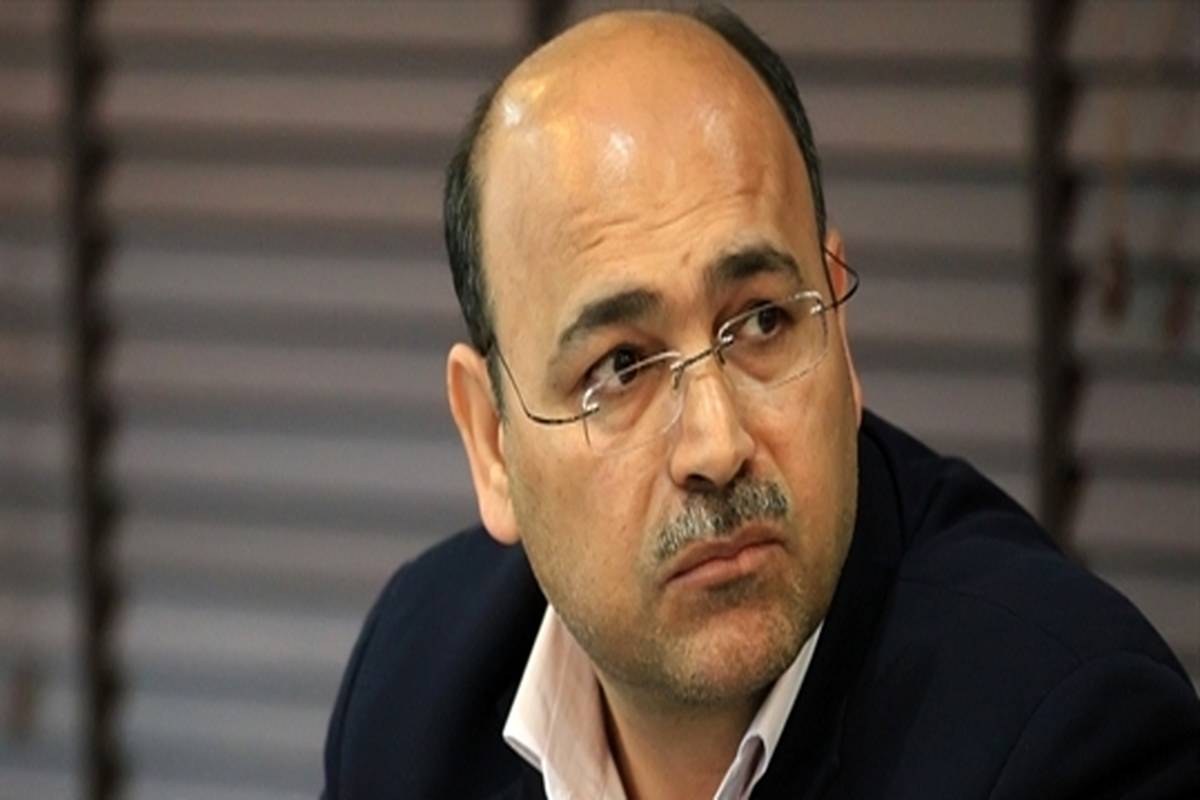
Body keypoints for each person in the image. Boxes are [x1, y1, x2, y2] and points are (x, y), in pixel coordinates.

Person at [322, 6, 1199, 799]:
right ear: (491, 441)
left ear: (838, 329)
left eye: (762, 321)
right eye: (620, 367)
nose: (716, 444)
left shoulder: (1068, 738)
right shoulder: (414, 689)